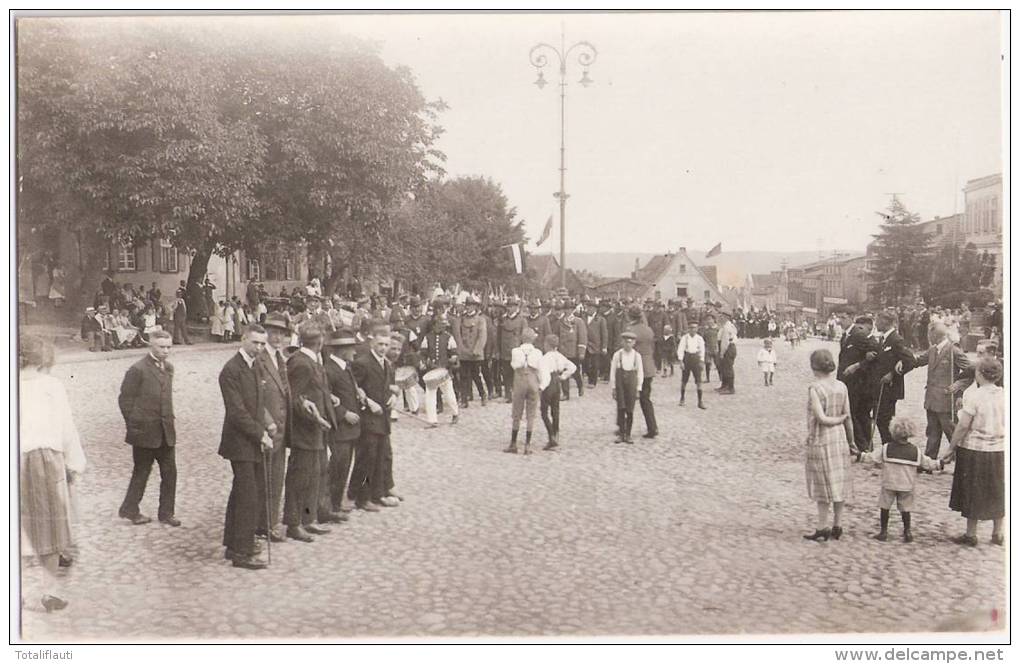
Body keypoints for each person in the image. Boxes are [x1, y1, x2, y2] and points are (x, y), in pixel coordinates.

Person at [20, 336, 87, 612]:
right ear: (44, 360)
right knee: (49, 527)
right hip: (45, 461)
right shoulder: (52, 386)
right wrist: (75, 463)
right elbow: (66, 427)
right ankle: (48, 593)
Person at [217, 325, 274, 570]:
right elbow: (237, 412)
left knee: (243, 492)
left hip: (254, 438)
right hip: (240, 441)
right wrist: (260, 433)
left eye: (262, 344)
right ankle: (241, 552)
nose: (259, 348)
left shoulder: (256, 365)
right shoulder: (231, 370)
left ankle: (235, 542)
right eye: (255, 343)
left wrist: (268, 423)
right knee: (247, 495)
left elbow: (258, 403)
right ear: (243, 339)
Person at [940, 356, 1005, 547]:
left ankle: (971, 533)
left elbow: (962, 426)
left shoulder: (975, 395)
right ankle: (997, 533)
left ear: (978, 373)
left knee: (973, 490)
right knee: (998, 490)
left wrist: (951, 448)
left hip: (975, 449)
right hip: (1000, 449)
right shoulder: (1005, 395)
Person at [117, 330, 180, 527]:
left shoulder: (168, 368)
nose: (166, 351)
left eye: (169, 347)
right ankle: (130, 509)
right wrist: (135, 423)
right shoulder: (138, 369)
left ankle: (166, 513)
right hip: (145, 432)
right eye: (161, 347)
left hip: (165, 430)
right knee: (142, 471)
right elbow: (125, 399)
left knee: (170, 473)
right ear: (151, 346)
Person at [283, 324, 337, 542]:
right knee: (300, 476)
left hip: (317, 429)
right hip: (305, 430)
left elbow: (313, 392)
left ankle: (308, 518)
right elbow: (295, 399)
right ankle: (294, 523)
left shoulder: (312, 361)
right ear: (320, 342)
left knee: (314, 474)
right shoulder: (301, 364)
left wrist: (328, 399)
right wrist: (314, 417)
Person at [860, 417, 943, 543]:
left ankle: (883, 531)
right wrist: (939, 464)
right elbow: (927, 463)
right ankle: (907, 531)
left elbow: (872, 458)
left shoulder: (886, 448)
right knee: (906, 509)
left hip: (889, 483)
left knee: (885, 507)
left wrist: (860, 456)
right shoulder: (915, 451)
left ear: (893, 431)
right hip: (907, 485)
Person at [803, 349, 854, 542]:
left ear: (814, 366)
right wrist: (852, 441)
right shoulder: (841, 386)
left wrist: (837, 418)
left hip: (820, 439)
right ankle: (838, 524)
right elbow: (848, 416)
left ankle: (822, 525)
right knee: (838, 480)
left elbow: (821, 418)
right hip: (839, 438)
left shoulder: (815, 388)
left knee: (822, 483)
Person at [908, 321, 970, 461]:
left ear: (934, 334)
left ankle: (962, 459)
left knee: (951, 431)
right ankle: (929, 460)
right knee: (932, 431)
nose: (928, 336)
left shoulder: (953, 351)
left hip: (946, 399)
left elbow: (971, 371)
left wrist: (958, 384)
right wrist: (902, 359)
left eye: (929, 333)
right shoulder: (932, 350)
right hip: (931, 398)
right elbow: (917, 361)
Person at [351, 325, 398, 510]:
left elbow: (389, 386)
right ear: (372, 343)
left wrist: (394, 396)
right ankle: (362, 498)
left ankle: (377, 494)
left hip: (383, 418)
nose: (383, 348)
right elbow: (354, 389)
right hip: (368, 419)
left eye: (386, 344)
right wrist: (368, 402)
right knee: (367, 458)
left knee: (380, 457)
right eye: (380, 344)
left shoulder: (386, 363)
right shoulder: (362, 363)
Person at [257, 313, 292, 540]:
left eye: (281, 333)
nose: (277, 337)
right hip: (266, 429)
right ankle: (261, 524)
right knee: (263, 479)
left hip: (282, 428)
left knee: (277, 477)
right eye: (273, 332)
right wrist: (267, 423)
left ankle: (271, 522)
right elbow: (255, 398)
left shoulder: (281, 359)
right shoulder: (260, 359)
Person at [323, 330, 363, 516]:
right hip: (339, 427)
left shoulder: (345, 366)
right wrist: (343, 413)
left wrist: (359, 393)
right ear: (341, 350)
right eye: (351, 348)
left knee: (344, 466)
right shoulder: (329, 369)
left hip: (350, 429)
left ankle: (336, 504)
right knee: (337, 467)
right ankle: (328, 506)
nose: (354, 351)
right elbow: (325, 398)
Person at [864, 310, 914, 445]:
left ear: (886, 322)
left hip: (889, 389)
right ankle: (887, 448)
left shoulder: (896, 339)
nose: (875, 323)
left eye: (878, 320)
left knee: (885, 421)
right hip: (880, 387)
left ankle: (890, 448)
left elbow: (910, 360)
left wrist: (893, 374)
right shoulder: (884, 338)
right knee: (880, 420)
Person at [837, 314, 879, 455]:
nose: (840, 321)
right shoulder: (846, 336)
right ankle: (863, 445)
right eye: (839, 318)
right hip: (848, 381)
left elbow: (874, 351)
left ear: (850, 318)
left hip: (858, 383)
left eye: (843, 318)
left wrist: (858, 365)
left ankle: (863, 446)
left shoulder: (859, 334)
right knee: (856, 414)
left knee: (854, 414)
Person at [621, 305, 658, 439]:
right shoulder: (648, 329)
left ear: (630, 316)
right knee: (645, 398)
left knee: (627, 398)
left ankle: (624, 428)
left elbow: (627, 349)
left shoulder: (630, 330)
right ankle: (652, 426)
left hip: (635, 367)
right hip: (648, 367)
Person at [505, 327, 543, 455]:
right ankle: (527, 445)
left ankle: (513, 443)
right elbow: (540, 370)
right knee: (531, 414)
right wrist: (541, 385)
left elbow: (514, 365)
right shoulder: (538, 352)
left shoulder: (515, 351)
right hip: (533, 380)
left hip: (520, 380)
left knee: (517, 412)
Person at [420, 315, 460, 428]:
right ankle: (432, 420)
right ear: (435, 325)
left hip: (444, 371)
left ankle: (455, 413)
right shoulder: (427, 337)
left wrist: (453, 358)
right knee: (430, 396)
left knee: (449, 394)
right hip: (431, 371)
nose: (443, 326)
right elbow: (423, 353)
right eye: (441, 324)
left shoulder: (449, 337)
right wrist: (422, 362)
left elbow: (454, 352)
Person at [537, 334, 575, 451]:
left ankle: (551, 437)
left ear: (547, 345)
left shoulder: (545, 358)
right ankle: (556, 434)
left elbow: (545, 376)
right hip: (557, 383)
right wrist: (563, 377)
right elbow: (572, 367)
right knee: (555, 410)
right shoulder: (560, 356)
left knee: (544, 412)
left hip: (548, 385)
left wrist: (541, 388)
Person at [610, 331, 643, 444]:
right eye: (625, 342)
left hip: (632, 384)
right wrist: (613, 387)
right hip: (620, 384)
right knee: (621, 408)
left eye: (630, 342)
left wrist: (638, 388)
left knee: (630, 410)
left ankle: (628, 434)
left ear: (634, 343)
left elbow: (640, 373)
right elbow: (613, 371)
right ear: (622, 342)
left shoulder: (637, 356)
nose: (628, 344)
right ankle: (621, 433)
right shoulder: (617, 355)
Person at [457, 298, 488, 408]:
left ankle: (483, 394)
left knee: (476, 376)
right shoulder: (462, 319)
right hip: (464, 353)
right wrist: (461, 348)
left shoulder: (480, 320)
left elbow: (482, 336)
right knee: (463, 376)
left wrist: (477, 350)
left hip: (475, 354)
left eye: (470, 305)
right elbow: (459, 335)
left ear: (475, 306)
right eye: (467, 305)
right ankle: (464, 400)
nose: (468, 307)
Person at [677, 320, 707, 409]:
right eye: (691, 328)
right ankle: (682, 398)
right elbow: (680, 349)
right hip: (687, 358)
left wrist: (701, 361)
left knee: (698, 381)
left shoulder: (699, 338)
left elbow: (702, 350)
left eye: (694, 328)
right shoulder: (684, 338)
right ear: (688, 329)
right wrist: (681, 361)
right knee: (684, 380)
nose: (692, 329)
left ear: (697, 329)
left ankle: (700, 401)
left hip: (696, 358)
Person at [584, 300, 608, 387]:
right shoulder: (583, 317)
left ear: (595, 309)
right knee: (585, 364)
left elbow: (604, 334)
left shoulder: (601, 320)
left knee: (594, 364)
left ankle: (592, 382)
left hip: (596, 345)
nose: (589, 309)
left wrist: (604, 346)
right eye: (588, 307)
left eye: (591, 307)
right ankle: (589, 375)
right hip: (585, 344)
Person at [716, 311, 738, 395]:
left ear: (726, 318)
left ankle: (731, 388)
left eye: (722, 317)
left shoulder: (727, 327)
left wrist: (722, 352)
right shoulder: (726, 326)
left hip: (728, 348)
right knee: (724, 367)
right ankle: (724, 385)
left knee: (728, 368)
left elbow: (725, 341)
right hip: (729, 347)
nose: (720, 318)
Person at [701, 314, 719, 384]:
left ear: (714, 320)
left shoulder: (717, 329)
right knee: (707, 364)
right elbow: (703, 339)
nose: (709, 321)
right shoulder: (705, 330)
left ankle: (720, 378)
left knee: (718, 364)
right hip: (707, 348)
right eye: (707, 320)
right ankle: (707, 378)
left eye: (710, 319)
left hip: (715, 348)